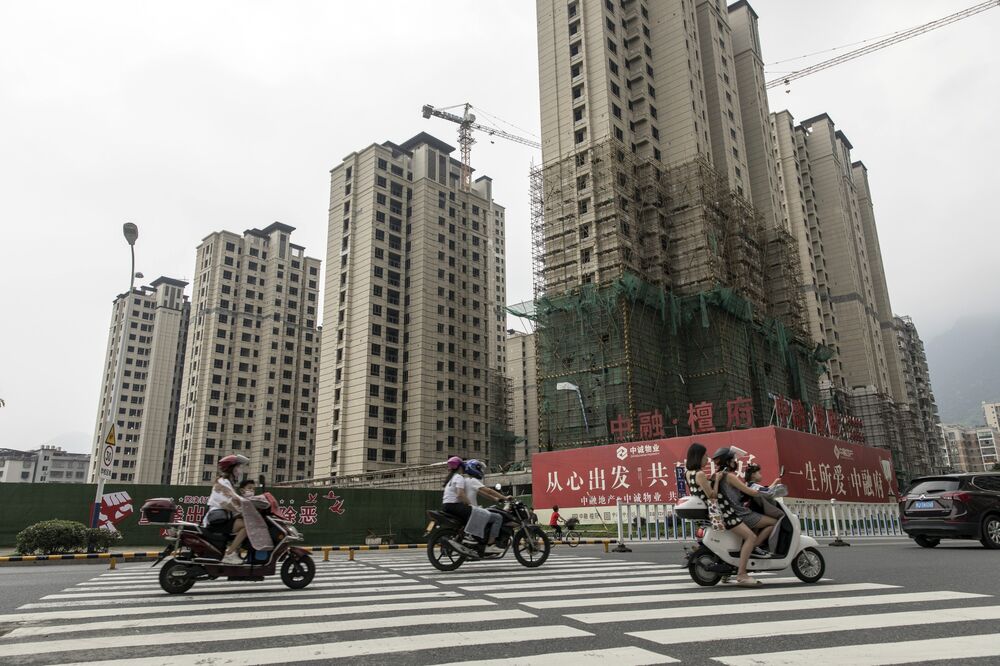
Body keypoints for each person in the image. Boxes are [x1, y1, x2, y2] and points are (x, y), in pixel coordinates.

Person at [712, 447, 777, 586]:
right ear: (728, 462)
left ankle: (732, 570)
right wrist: (769, 492)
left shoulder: (720, 475)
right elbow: (750, 491)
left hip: (732, 513)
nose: (735, 462)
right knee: (772, 522)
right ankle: (743, 571)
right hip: (740, 513)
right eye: (733, 460)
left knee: (752, 532)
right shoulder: (729, 476)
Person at [206, 454, 250, 565]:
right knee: (246, 526)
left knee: (244, 524)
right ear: (232, 469)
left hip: (223, 517)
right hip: (217, 519)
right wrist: (248, 505)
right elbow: (231, 500)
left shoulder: (226, 482)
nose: (240, 471)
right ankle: (229, 554)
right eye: (238, 467)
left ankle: (234, 551)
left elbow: (234, 499)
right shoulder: (223, 482)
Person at [461, 459, 507, 553]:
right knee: (498, 518)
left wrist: (496, 499)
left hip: (468, 510)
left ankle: (480, 541)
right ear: (474, 469)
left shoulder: (466, 480)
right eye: (480, 468)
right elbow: (488, 491)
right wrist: (505, 497)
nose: (481, 471)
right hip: (473, 511)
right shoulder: (473, 480)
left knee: (488, 513)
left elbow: (482, 493)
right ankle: (490, 545)